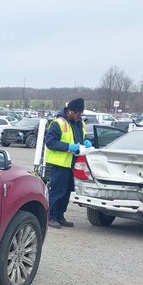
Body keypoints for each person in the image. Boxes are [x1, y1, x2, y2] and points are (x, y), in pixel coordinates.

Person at [43, 97, 92, 228]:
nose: (78, 116)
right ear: (69, 111)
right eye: (76, 113)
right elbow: (50, 142)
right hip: (60, 164)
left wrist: (85, 142)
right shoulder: (58, 123)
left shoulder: (79, 123)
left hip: (73, 163)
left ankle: (60, 215)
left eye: (80, 114)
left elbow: (81, 137)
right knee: (57, 191)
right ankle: (51, 217)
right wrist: (69, 147)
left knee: (67, 192)